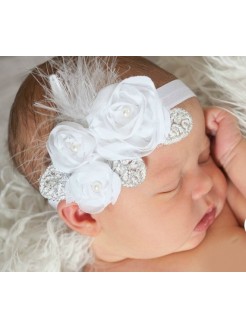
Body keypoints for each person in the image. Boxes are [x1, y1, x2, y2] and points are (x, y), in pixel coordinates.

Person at [7, 56, 246, 271]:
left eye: (203, 157)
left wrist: (232, 153)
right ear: (85, 216)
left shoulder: (220, 210)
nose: (205, 181)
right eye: (171, 186)